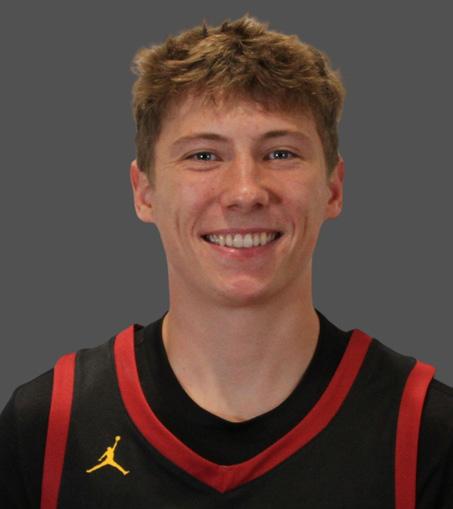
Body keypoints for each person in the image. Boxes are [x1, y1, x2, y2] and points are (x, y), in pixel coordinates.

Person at [1, 14, 452, 509]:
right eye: (203, 156)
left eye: (280, 154)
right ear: (144, 192)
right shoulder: (48, 427)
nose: (245, 191)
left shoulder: (428, 434)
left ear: (333, 188)